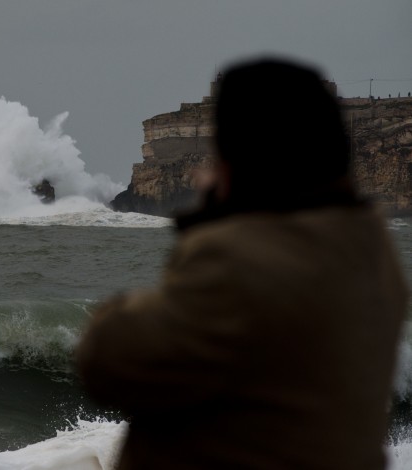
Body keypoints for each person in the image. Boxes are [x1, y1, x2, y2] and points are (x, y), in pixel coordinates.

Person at [75, 57, 408, 469]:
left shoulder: (237, 259)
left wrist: (209, 220)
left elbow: (106, 360)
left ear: (239, 161)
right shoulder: (371, 247)